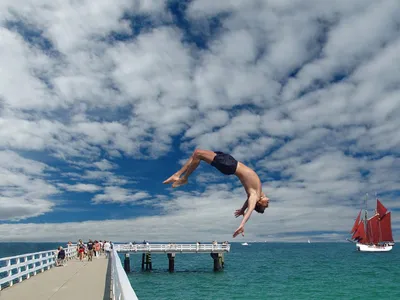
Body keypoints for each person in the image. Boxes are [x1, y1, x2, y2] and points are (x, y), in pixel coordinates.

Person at [163, 149, 270, 238]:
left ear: (259, 203)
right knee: (197, 153)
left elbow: (250, 208)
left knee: (198, 154)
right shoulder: (258, 193)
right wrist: (242, 209)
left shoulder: (254, 196)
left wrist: (242, 224)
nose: (268, 201)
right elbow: (247, 203)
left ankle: (182, 177)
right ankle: (179, 176)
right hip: (232, 161)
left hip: (230, 165)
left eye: (266, 205)